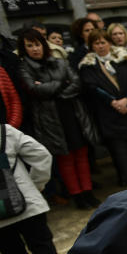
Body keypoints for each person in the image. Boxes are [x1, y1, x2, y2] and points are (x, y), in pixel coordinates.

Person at [18, 30, 99, 209]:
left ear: (44, 45)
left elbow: (77, 83)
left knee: (81, 154)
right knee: (66, 158)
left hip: (73, 113)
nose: (35, 49)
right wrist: (62, 84)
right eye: (29, 46)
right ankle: (77, 196)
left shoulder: (60, 62)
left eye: (37, 44)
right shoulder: (24, 68)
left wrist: (51, 89)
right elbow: (34, 89)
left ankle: (88, 192)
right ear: (24, 49)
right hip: (50, 120)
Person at [78, 30, 127, 185]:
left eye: (103, 42)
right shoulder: (88, 66)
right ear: (91, 46)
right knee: (121, 154)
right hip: (110, 117)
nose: (101, 46)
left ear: (109, 43)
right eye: (96, 43)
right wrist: (113, 102)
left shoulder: (123, 59)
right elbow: (92, 88)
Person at [0, 123, 58, 254]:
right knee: (41, 245)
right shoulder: (4, 131)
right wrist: (37, 184)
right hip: (27, 202)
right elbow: (42, 155)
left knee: (12, 252)